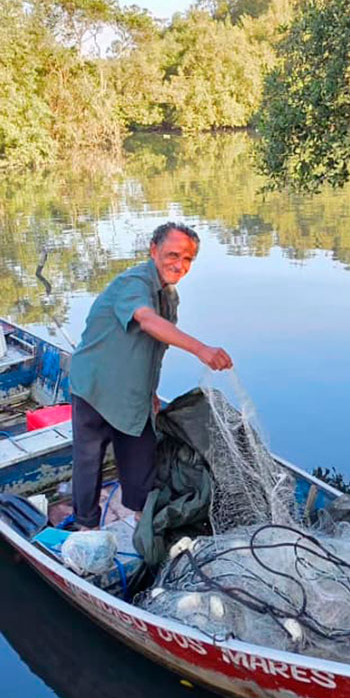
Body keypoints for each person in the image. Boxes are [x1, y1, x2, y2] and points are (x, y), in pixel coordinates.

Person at [67, 222, 232, 530]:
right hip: (96, 386)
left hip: (133, 392)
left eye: (187, 259)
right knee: (89, 460)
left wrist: (152, 390)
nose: (179, 265)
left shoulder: (169, 298)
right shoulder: (134, 283)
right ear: (153, 250)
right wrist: (201, 350)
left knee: (141, 457)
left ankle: (139, 519)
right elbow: (145, 320)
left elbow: (156, 348)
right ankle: (85, 525)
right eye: (172, 255)